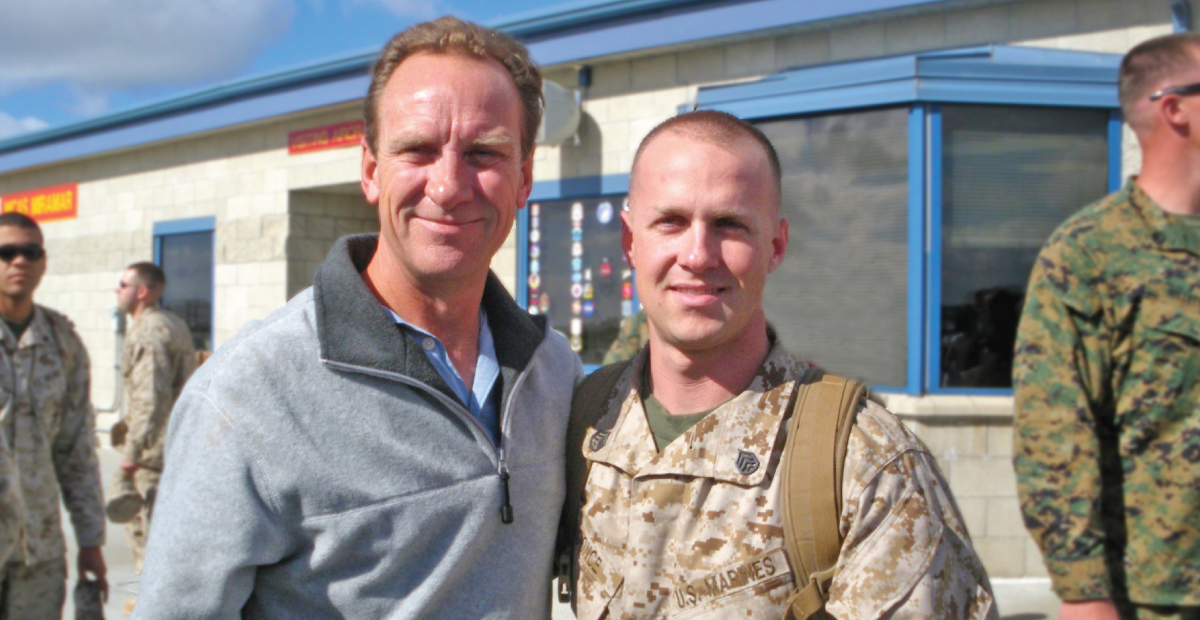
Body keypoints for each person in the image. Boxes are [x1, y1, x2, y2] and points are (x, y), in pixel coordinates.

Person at [133, 16, 581, 619]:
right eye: (418, 149)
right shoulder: (247, 396)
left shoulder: (554, 378)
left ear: (524, 177)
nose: (448, 186)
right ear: (370, 170)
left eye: (484, 153)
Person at [567, 110, 996, 619]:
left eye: (729, 225)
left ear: (776, 245)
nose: (698, 254)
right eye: (671, 222)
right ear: (629, 242)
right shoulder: (584, 424)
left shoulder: (865, 463)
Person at [1014, 32, 1200, 620]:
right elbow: (1054, 430)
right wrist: (1083, 589)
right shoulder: (1090, 253)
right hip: (1158, 593)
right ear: (1176, 107)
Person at [0, 212, 106, 618]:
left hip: (39, 553)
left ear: (43, 262)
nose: (19, 262)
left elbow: (75, 449)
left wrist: (91, 540)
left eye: (30, 252)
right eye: (6, 252)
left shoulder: (63, 342)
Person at [110, 262, 195, 609]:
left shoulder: (148, 330)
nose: (117, 291)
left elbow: (150, 400)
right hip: (174, 449)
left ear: (142, 291)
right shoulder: (173, 323)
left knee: (148, 548)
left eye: (122, 284)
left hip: (151, 457)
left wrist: (130, 456)